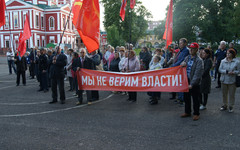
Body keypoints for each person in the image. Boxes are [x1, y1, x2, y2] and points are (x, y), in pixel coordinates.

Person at [180, 43, 203, 121]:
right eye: (190, 48)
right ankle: (187, 111)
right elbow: (181, 65)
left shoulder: (199, 61)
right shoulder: (187, 58)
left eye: (193, 48)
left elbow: (197, 74)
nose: (191, 50)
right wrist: (182, 64)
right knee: (186, 97)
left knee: (195, 98)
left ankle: (196, 113)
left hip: (194, 82)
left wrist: (192, 84)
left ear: (196, 50)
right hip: (186, 80)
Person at [171, 38, 190, 104]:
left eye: (181, 43)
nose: (180, 44)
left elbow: (181, 60)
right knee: (178, 84)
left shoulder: (186, 51)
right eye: (179, 43)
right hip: (178, 69)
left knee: (181, 84)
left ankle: (182, 99)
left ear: (185, 43)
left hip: (182, 69)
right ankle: (179, 98)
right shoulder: (181, 50)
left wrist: (173, 66)